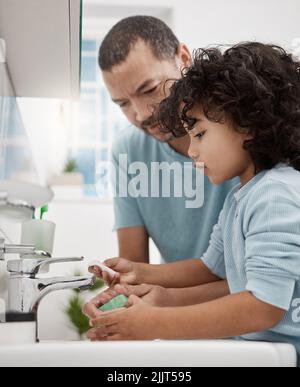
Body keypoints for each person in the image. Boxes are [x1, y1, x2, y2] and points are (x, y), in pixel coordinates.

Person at [85, 42, 300, 364]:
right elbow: (208, 268)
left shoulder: (276, 195)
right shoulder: (241, 198)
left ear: (248, 124)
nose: (193, 151)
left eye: (199, 134)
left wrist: (152, 323)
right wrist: (141, 272)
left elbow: (263, 306)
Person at [98, 16, 237, 267]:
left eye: (149, 89)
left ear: (183, 59)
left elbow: (261, 282)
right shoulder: (127, 150)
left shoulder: (239, 128)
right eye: (123, 104)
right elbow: (134, 269)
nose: (141, 115)